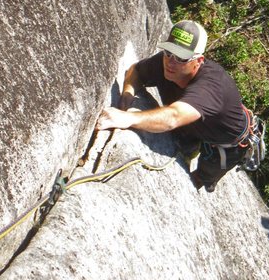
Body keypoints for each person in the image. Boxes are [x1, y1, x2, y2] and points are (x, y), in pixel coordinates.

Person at [96, 20, 251, 193]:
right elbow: (136, 71)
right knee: (185, 143)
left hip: (227, 140)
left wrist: (127, 118)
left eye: (181, 57)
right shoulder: (167, 62)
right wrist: (127, 95)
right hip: (194, 122)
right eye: (168, 52)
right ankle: (191, 145)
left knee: (199, 179)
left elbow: (174, 117)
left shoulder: (210, 87)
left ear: (198, 61)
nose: (171, 62)